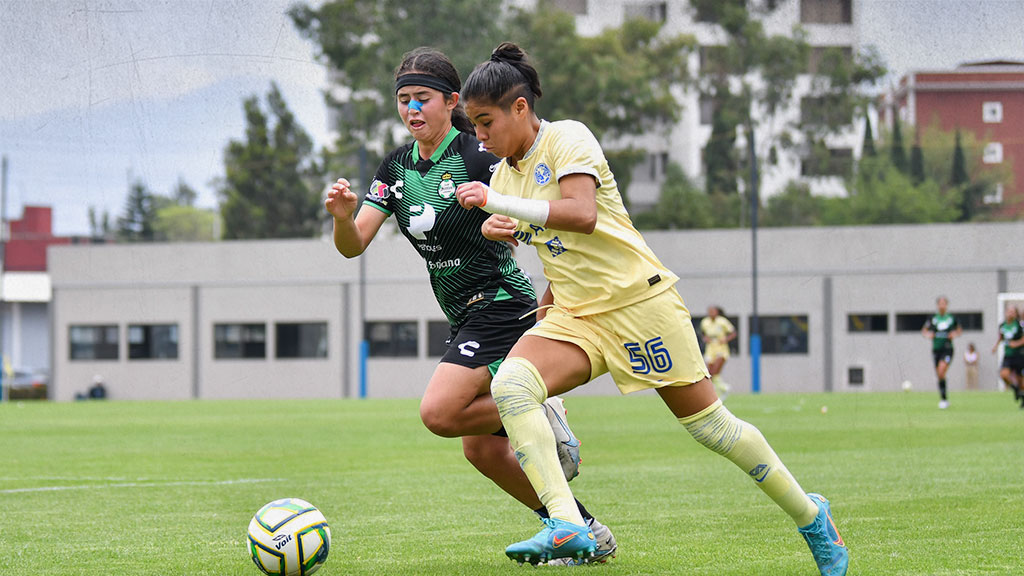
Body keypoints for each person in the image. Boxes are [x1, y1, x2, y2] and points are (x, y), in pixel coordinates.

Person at [454, 42, 848, 575]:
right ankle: (567, 523)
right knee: (512, 386)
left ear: (520, 108)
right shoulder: (504, 176)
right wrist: (501, 232)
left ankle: (811, 515)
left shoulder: (568, 137)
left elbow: (582, 215)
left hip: (640, 304)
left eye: (485, 121)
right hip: (576, 316)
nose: (479, 135)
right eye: (473, 125)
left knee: (713, 429)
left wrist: (496, 208)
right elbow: (554, 246)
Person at [323, 47, 616, 563]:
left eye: (424, 99)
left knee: (439, 412)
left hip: (503, 303)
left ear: (451, 101)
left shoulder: (480, 154)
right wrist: (344, 217)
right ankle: (581, 527)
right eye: (403, 100)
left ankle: (541, 414)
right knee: (479, 447)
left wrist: (506, 223)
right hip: (463, 314)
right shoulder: (395, 168)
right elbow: (353, 245)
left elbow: (531, 220)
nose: (413, 110)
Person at [921, 296, 961, 409]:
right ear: (937, 305)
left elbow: (959, 330)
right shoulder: (933, 318)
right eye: (940, 303)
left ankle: (943, 400)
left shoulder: (951, 318)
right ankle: (944, 399)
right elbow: (924, 331)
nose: (942, 305)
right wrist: (929, 335)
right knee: (939, 375)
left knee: (942, 370)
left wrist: (954, 334)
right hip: (936, 349)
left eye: (944, 303)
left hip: (947, 348)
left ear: (947, 305)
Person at [700, 305, 736, 400]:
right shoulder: (705, 322)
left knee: (714, 370)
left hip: (721, 349)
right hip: (710, 349)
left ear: (717, 312)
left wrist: (726, 339)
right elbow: (703, 334)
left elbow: (733, 333)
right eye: (710, 311)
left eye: (713, 311)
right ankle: (722, 389)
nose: (711, 313)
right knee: (710, 374)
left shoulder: (722, 321)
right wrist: (705, 338)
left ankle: (721, 390)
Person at [992, 306, 1024, 408]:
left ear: (1015, 314)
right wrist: (995, 346)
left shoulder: (1020, 325)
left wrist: (1016, 343)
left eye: (1012, 312)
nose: (1010, 313)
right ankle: (1015, 389)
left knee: (1021, 381)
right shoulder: (1002, 325)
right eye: (1009, 311)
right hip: (1008, 356)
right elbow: (1001, 337)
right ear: (1005, 312)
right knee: (1003, 374)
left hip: (1019, 355)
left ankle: (1022, 398)